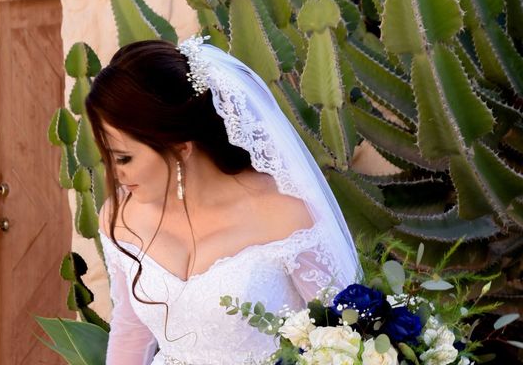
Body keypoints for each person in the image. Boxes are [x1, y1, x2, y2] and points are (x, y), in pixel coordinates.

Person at [85, 36, 360, 364]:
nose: (116, 175)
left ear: (180, 147)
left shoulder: (286, 216)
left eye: (124, 158)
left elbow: (346, 338)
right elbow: (131, 330)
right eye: (108, 159)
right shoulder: (121, 217)